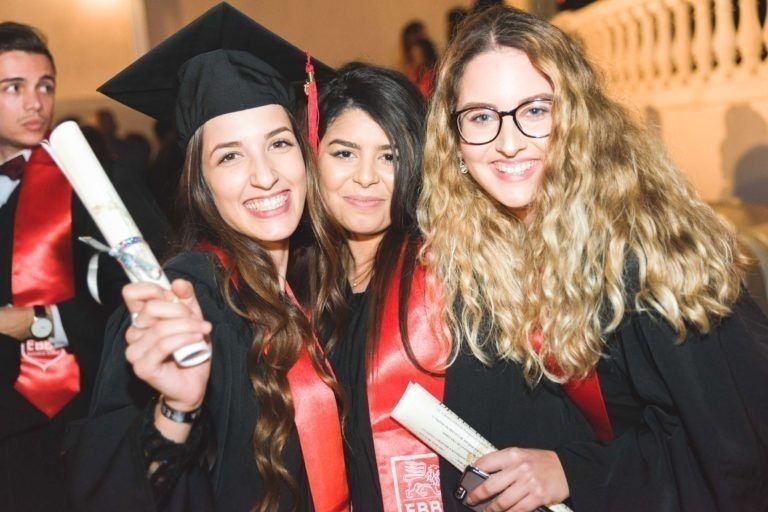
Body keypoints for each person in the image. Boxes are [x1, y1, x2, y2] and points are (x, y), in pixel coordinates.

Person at [418, 6, 768, 511]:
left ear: (576, 117)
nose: (509, 142)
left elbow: (735, 448)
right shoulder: (483, 253)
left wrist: (574, 470)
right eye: (481, 117)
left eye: (535, 109)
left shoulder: (650, 252)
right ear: (454, 140)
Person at [64, 4, 348, 512]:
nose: (265, 176)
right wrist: (176, 410)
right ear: (201, 182)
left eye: (279, 143)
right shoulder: (181, 302)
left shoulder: (317, 280)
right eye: (230, 155)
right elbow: (107, 495)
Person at [290, 62, 593, 512]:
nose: (367, 177)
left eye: (390, 156)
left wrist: (570, 469)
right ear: (313, 157)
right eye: (344, 153)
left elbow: (545, 429)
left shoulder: (462, 284)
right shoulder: (303, 293)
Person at [0, 21, 130, 511]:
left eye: (45, 86)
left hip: (64, 420)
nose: (35, 102)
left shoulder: (85, 178)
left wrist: (40, 320)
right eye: (13, 87)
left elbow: (135, 286)